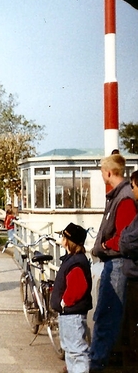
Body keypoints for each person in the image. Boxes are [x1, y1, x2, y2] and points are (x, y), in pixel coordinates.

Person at [90, 154, 138, 371]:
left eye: (102, 171)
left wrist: (106, 245)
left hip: (117, 264)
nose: (102, 175)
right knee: (107, 315)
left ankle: (97, 363)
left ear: (108, 173)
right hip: (115, 262)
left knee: (106, 316)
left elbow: (125, 237)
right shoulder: (122, 195)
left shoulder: (124, 199)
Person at [51, 223, 92, 373]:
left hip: (71, 313)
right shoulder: (73, 259)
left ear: (68, 241)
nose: (61, 238)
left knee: (76, 350)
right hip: (68, 313)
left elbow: (78, 287)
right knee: (69, 349)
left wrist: (64, 302)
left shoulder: (76, 262)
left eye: (63, 236)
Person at [119, 170, 138, 367]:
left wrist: (124, 237)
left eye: (133, 187)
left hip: (135, 279)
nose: (132, 191)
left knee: (132, 329)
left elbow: (127, 242)